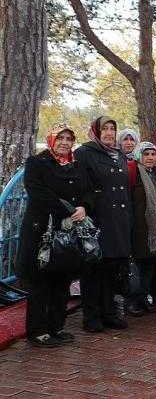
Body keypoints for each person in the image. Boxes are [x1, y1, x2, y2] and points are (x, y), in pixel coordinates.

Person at [16, 123, 89, 347]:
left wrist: (83, 206)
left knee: (62, 280)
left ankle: (56, 326)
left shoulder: (75, 165)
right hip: (42, 229)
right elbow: (37, 192)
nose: (64, 143)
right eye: (60, 138)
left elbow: (86, 190)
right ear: (51, 140)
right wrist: (68, 209)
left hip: (67, 231)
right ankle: (38, 331)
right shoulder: (37, 162)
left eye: (69, 139)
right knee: (40, 282)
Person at [75, 116, 132, 332]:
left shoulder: (119, 155)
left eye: (112, 128)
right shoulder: (85, 152)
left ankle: (108, 313)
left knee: (112, 269)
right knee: (93, 270)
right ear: (96, 131)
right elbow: (82, 186)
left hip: (119, 220)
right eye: (104, 128)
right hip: (98, 219)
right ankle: (91, 316)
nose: (109, 133)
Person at [126, 142, 156, 316]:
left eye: (153, 154)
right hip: (139, 228)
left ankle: (144, 298)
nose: (150, 158)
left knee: (149, 266)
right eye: (146, 154)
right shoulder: (133, 172)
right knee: (137, 267)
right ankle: (132, 302)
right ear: (139, 155)